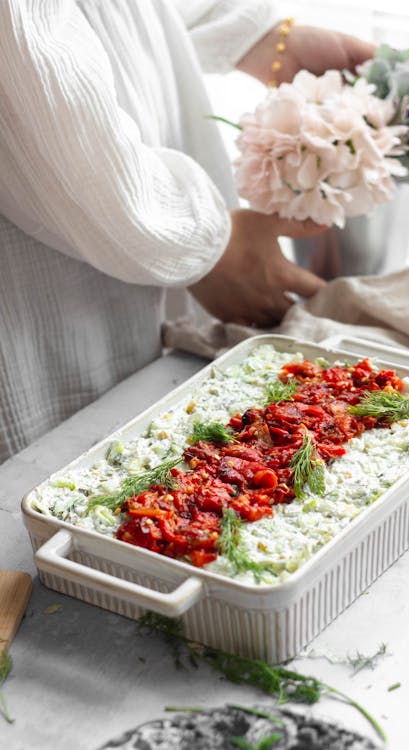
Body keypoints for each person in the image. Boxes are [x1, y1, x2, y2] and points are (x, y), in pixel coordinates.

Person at [0, 1, 374, 463]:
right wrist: (200, 242)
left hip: (121, 200)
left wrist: (253, 36)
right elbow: (31, 78)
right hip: (73, 237)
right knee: (79, 468)